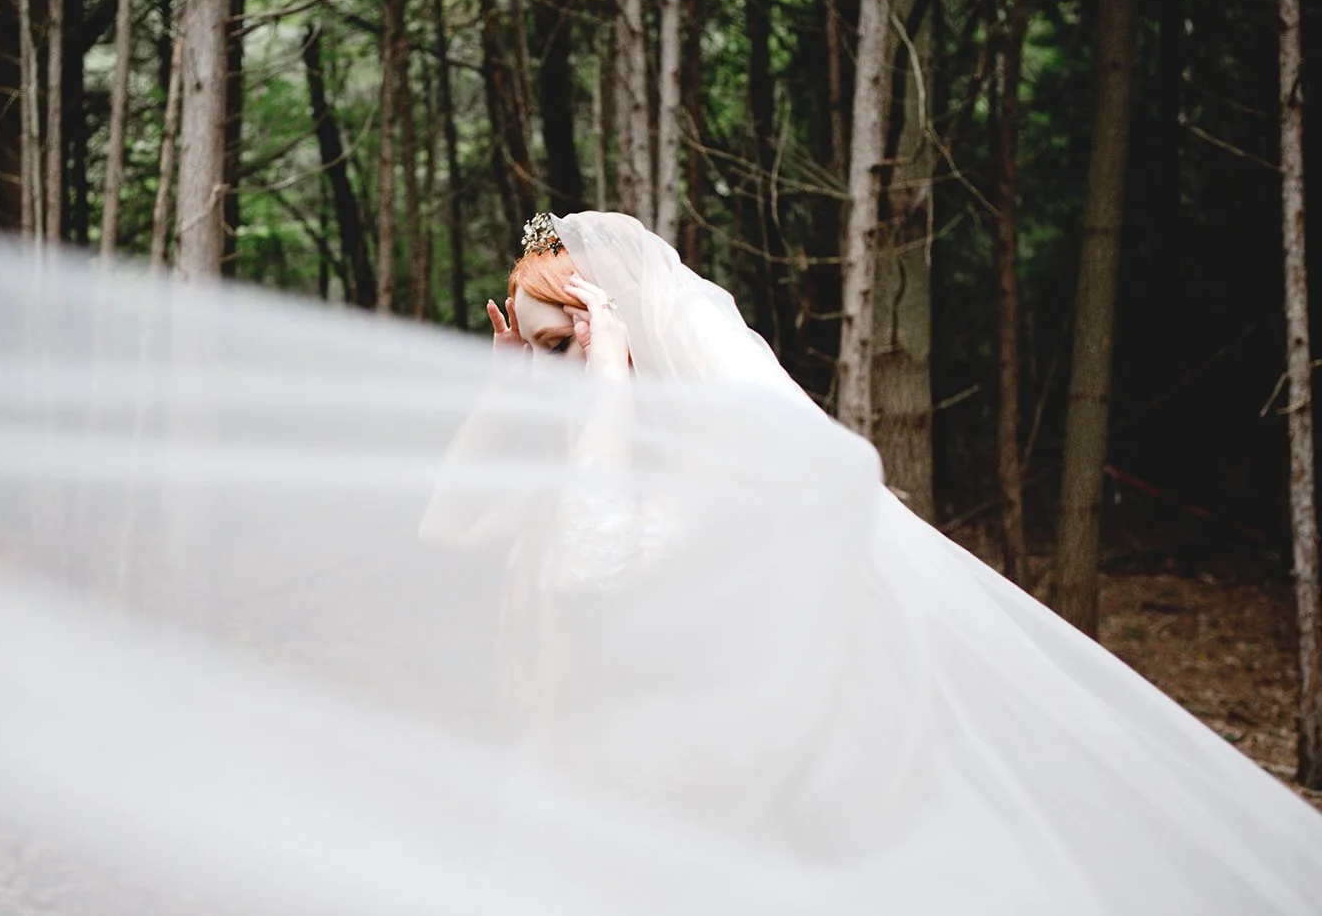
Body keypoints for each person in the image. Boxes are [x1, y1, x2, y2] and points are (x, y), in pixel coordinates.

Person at [468, 210, 1322, 914]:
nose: (548, 373)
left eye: (556, 348)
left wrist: (610, 373)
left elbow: (587, 562)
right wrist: (503, 392)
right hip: (584, 785)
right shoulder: (579, 450)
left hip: (684, 798)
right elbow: (453, 525)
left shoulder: (700, 454)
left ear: (610, 330)